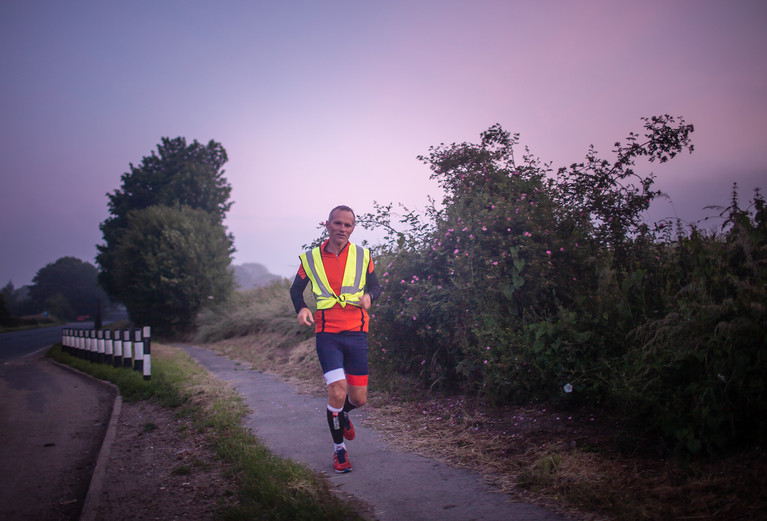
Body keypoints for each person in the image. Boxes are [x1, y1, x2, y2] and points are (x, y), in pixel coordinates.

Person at [289, 205, 382, 473]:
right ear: (327, 224)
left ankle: (340, 415)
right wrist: (302, 308)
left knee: (360, 399)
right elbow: (296, 290)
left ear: (353, 228)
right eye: (337, 223)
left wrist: (369, 297)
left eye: (348, 225)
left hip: (357, 332)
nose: (342, 229)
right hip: (327, 333)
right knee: (337, 390)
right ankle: (339, 451)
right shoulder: (310, 258)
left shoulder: (363, 256)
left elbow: (375, 286)